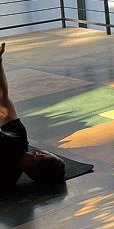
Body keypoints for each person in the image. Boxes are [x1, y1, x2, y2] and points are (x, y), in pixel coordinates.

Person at [0, 42, 66, 193]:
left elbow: (3, 99)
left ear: (40, 155)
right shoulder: (6, 182)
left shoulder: (18, 140)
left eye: (49, 153)